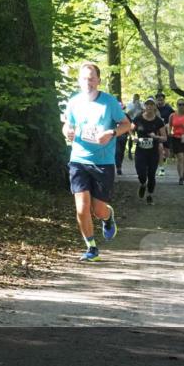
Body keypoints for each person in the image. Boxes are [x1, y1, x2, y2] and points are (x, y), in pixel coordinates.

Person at [61, 63, 132, 262]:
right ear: (79, 81)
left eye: (92, 78)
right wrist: (67, 130)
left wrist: (112, 132)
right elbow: (68, 123)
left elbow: (127, 124)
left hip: (103, 162)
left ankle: (108, 217)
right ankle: (91, 247)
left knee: (98, 210)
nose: (88, 82)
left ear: (99, 81)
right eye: (84, 78)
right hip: (78, 160)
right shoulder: (74, 102)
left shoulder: (109, 103)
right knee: (82, 208)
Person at [132, 97, 168, 204]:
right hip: (140, 151)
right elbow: (130, 129)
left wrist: (156, 137)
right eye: (147, 104)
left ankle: (149, 195)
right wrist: (133, 137)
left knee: (151, 174)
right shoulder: (138, 118)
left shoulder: (158, 121)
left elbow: (165, 138)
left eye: (152, 105)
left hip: (153, 152)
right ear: (144, 106)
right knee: (141, 173)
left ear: (154, 107)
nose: (149, 107)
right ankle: (143, 184)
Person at [155, 93, 175, 176]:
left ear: (164, 100)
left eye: (161, 100)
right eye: (158, 100)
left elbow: (174, 118)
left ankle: (163, 159)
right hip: (157, 132)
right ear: (156, 100)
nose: (160, 101)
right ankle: (161, 168)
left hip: (166, 132)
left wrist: (169, 125)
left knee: (167, 152)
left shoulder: (168, 108)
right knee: (159, 148)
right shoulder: (153, 108)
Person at [125, 94, 143, 159]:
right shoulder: (130, 104)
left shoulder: (141, 104)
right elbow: (127, 113)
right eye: (135, 98)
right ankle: (129, 150)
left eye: (137, 98)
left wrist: (140, 106)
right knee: (131, 136)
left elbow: (144, 111)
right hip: (131, 121)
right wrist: (134, 107)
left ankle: (139, 151)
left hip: (139, 122)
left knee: (140, 135)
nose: (136, 99)